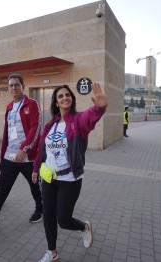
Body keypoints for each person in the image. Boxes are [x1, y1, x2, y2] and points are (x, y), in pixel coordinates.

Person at [33, 83, 108, 262]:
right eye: (60, 96)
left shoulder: (78, 121)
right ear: (56, 102)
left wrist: (100, 107)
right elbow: (42, 150)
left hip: (70, 178)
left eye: (67, 95)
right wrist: (36, 168)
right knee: (48, 216)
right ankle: (52, 252)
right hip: (49, 177)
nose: (64, 97)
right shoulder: (50, 125)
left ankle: (83, 227)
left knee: (64, 220)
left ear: (71, 99)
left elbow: (91, 116)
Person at [0, 73, 43, 230]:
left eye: (16, 84)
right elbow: (7, 133)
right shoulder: (9, 107)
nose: (13, 88)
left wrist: (23, 148)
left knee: (35, 186)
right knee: (2, 188)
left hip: (27, 157)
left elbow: (35, 127)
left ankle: (40, 208)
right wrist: (4, 155)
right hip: (10, 156)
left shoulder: (32, 104)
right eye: (11, 85)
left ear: (23, 87)